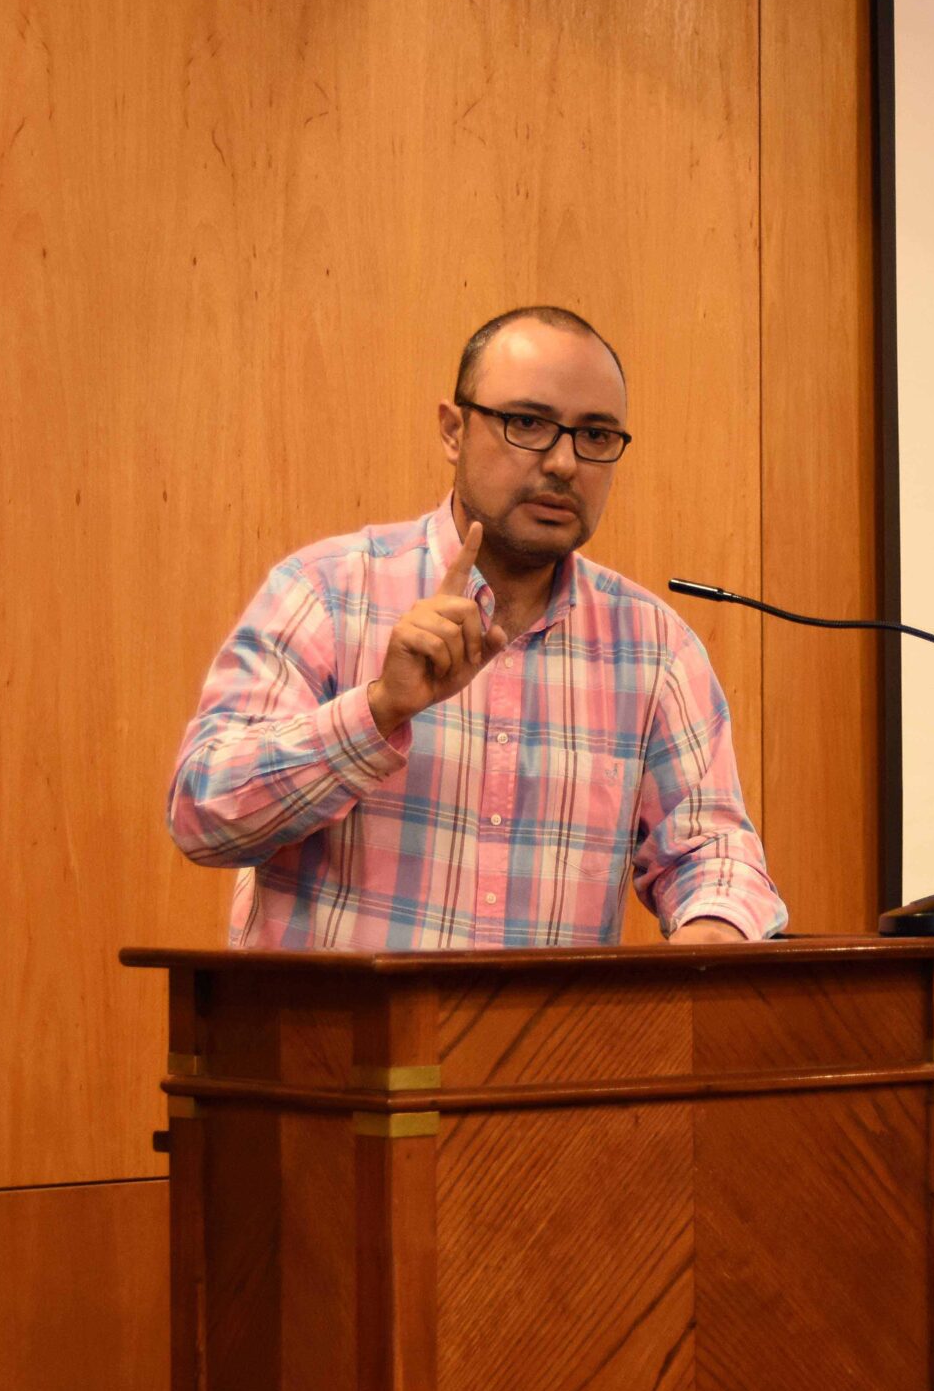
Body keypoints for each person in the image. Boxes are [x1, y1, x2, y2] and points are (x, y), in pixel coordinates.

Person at [166, 305, 786, 948]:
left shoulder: (653, 648)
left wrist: (713, 929)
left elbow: (714, 854)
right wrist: (377, 711)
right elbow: (201, 814)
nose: (564, 463)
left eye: (596, 435)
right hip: (340, 1019)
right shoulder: (326, 593)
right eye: (527, 423)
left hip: (548, 1022)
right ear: (453, 431)